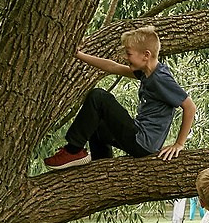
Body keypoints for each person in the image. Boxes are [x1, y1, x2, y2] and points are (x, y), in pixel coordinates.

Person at [42, 25, 196, 170]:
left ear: (146, 55)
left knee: (99, 97)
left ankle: (73, 150)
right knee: (96, 121)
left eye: (129, 53)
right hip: (139, 136)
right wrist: (78, 55)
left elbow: (189, 107)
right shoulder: (146, 72)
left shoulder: (160, 78)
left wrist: (179, 144)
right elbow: (113, 67)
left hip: (142, 142)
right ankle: (101, 165)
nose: (125, 57)